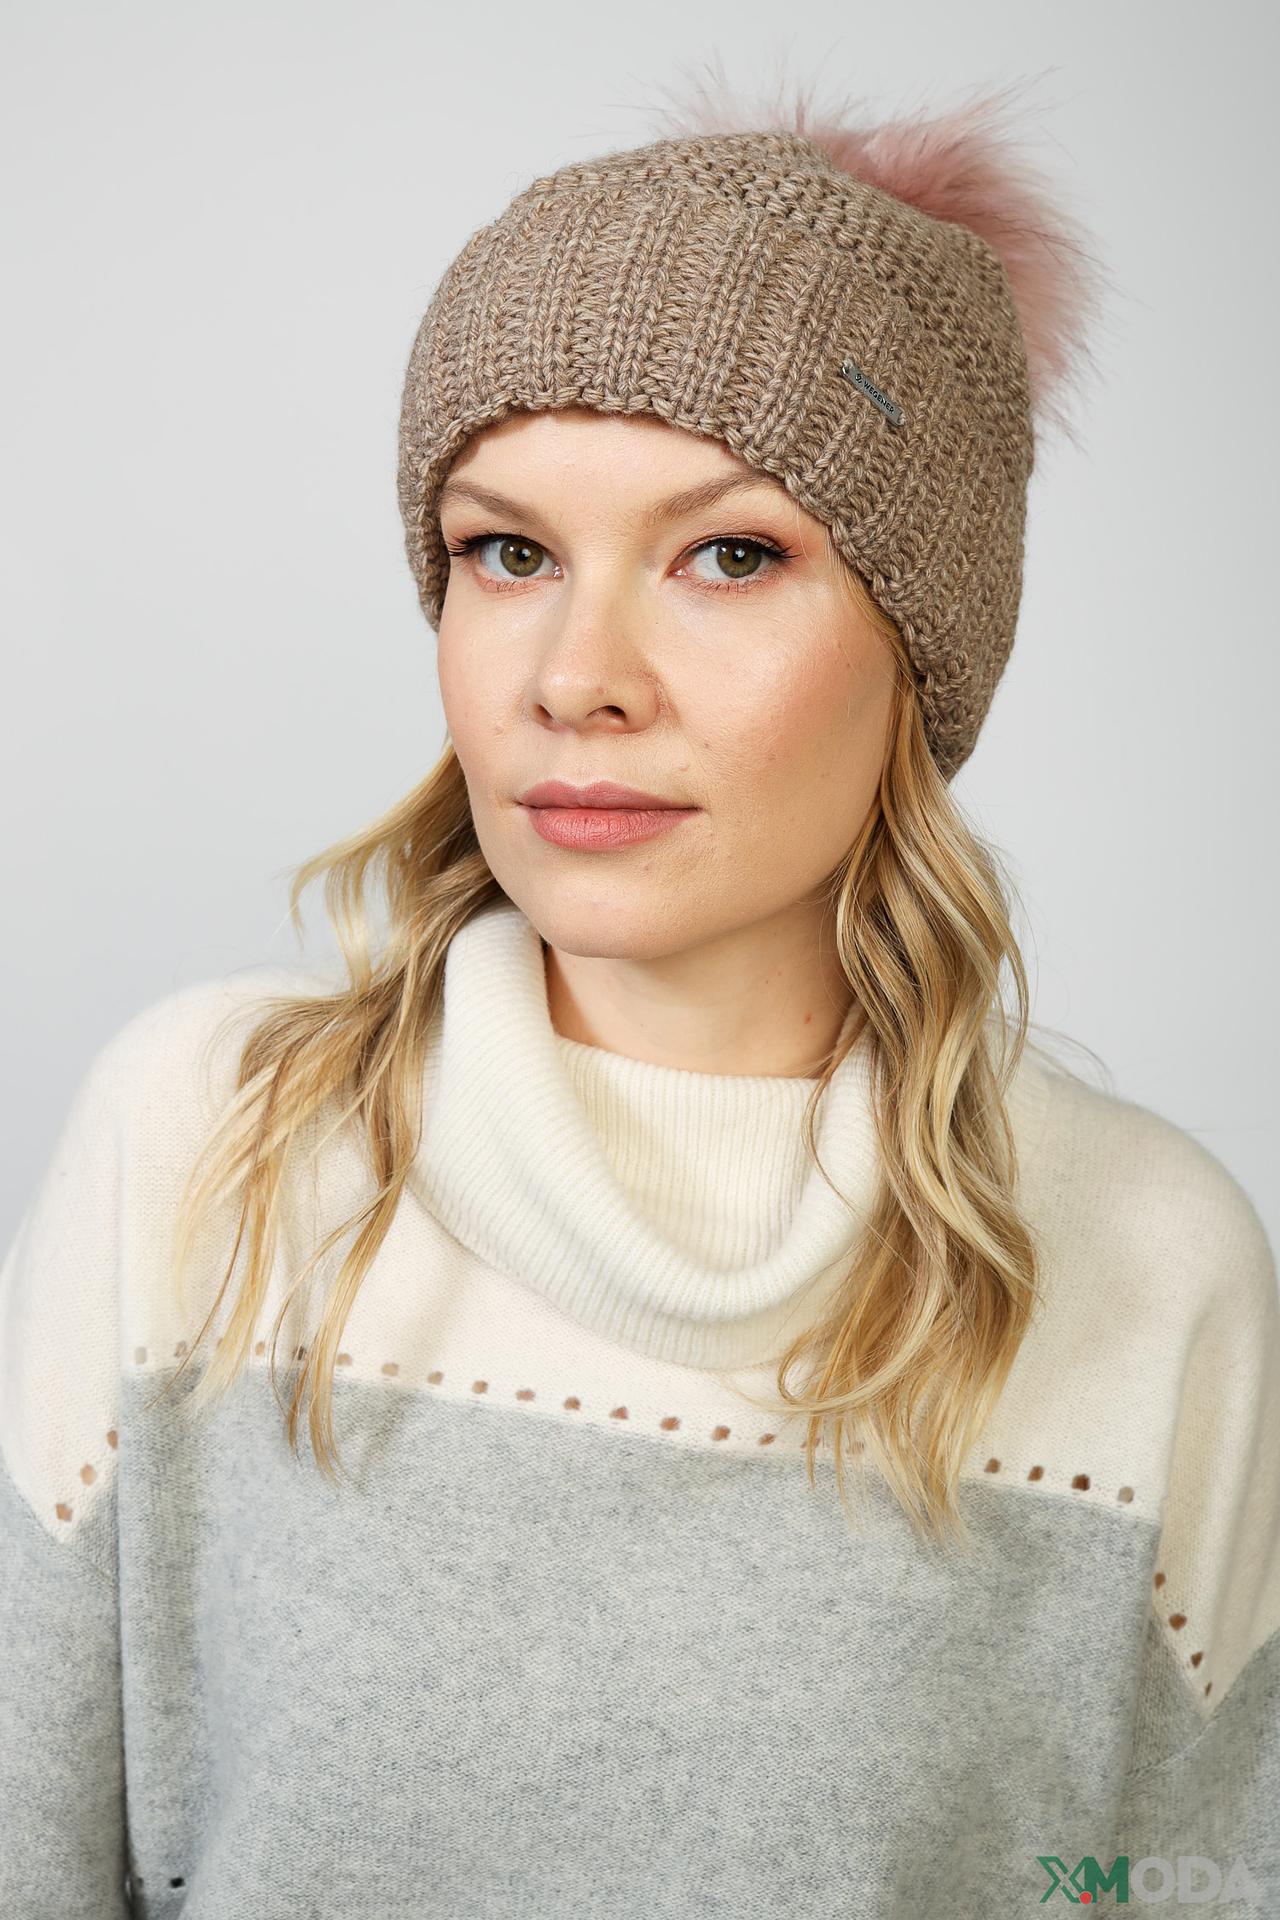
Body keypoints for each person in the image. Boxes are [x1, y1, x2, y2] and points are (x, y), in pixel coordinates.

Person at [2, 77, 1276, 1919]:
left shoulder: (1152, 1265)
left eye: (730, 554)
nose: (576, 675)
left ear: (923, 642)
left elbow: (1180, 1881)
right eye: (506, 551)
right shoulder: (206, 1145)